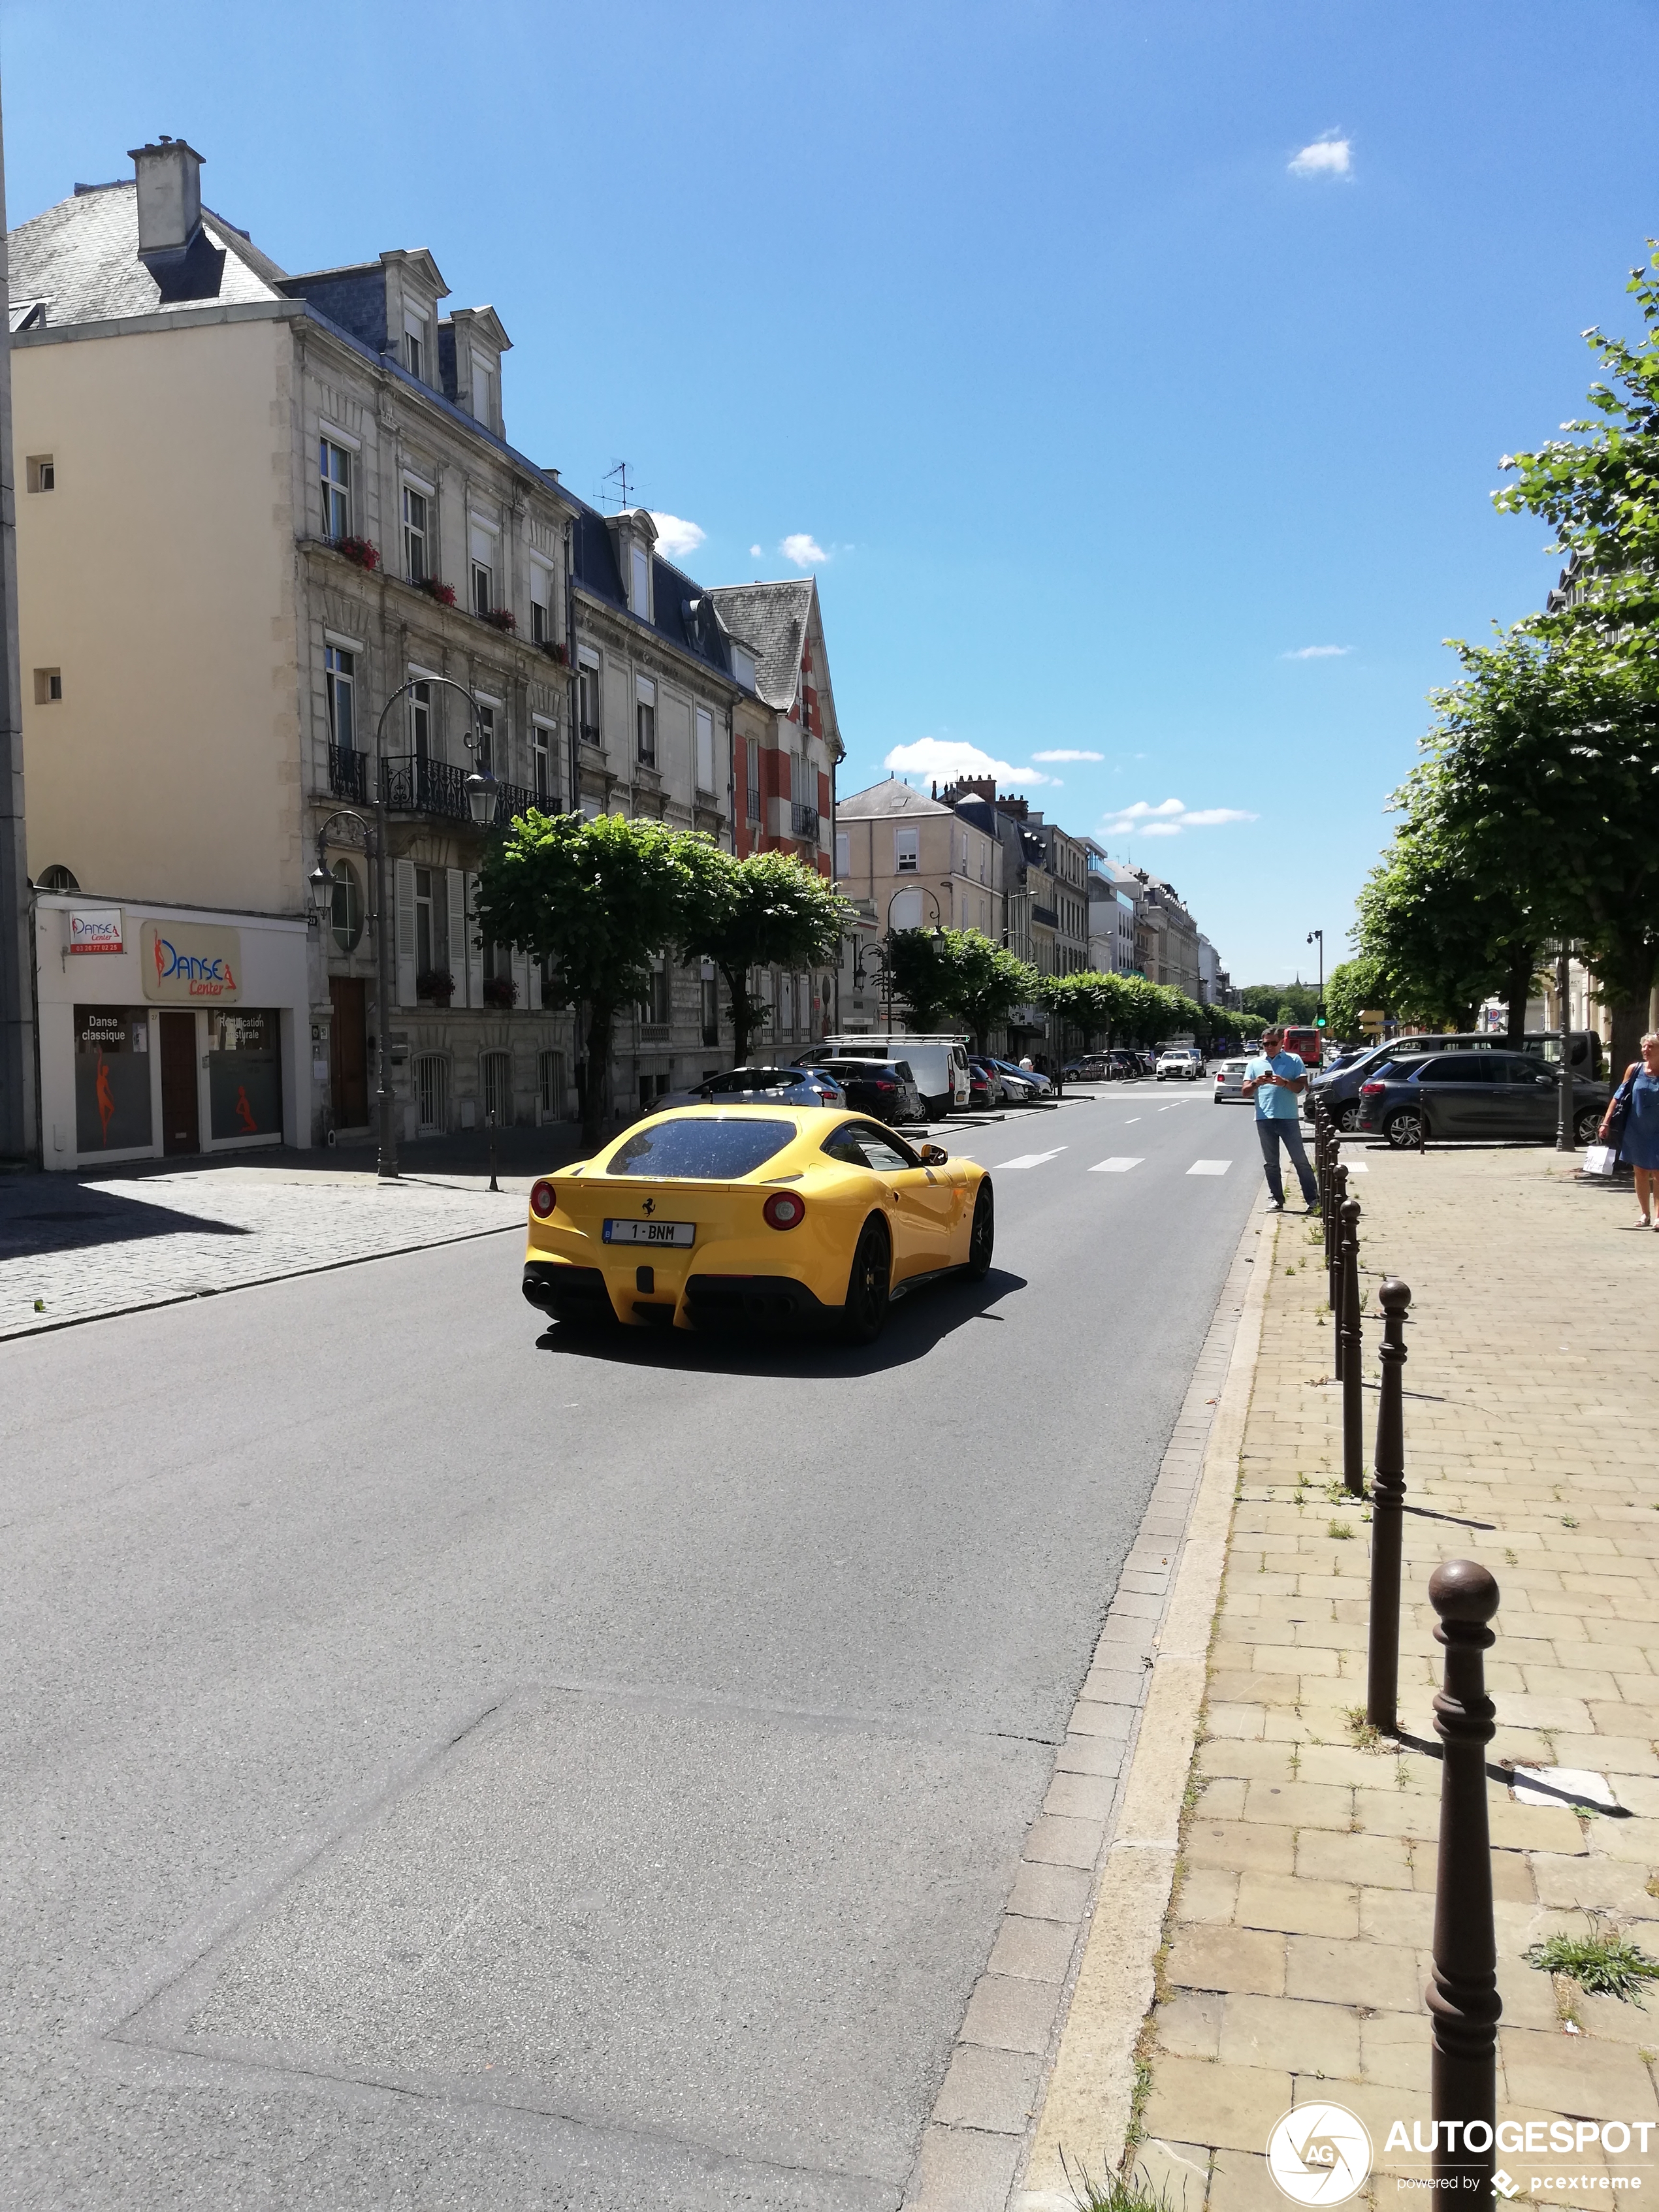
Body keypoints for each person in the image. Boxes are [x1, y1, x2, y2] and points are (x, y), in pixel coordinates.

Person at [1243, 1025, 1319, 1211]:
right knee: (1271, 1163)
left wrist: (1284, 1083)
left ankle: (1313, 1200)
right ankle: (1276, 1199)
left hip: (1288, 1118)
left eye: (1272, 1043)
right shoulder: (1254, 1064)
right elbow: (1245, 1092)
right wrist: (1256, 1083)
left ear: (1282, 1043)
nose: (1268, 1047)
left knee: (1300, 1160)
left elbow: (1301, 1088)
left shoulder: (1294, 1060)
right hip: (1264, 1118)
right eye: (1265, 1044)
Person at [1600, 1031, 1659, 1229]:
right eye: (1644, 1046)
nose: (1645, 1050)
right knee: (1640, 1171)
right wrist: (1606, 1122)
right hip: (1637, 1129)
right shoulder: (1635, 1070)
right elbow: (1618, 1096)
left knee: (1658, 1172)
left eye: (1651, 1047)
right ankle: (1645, 1214)